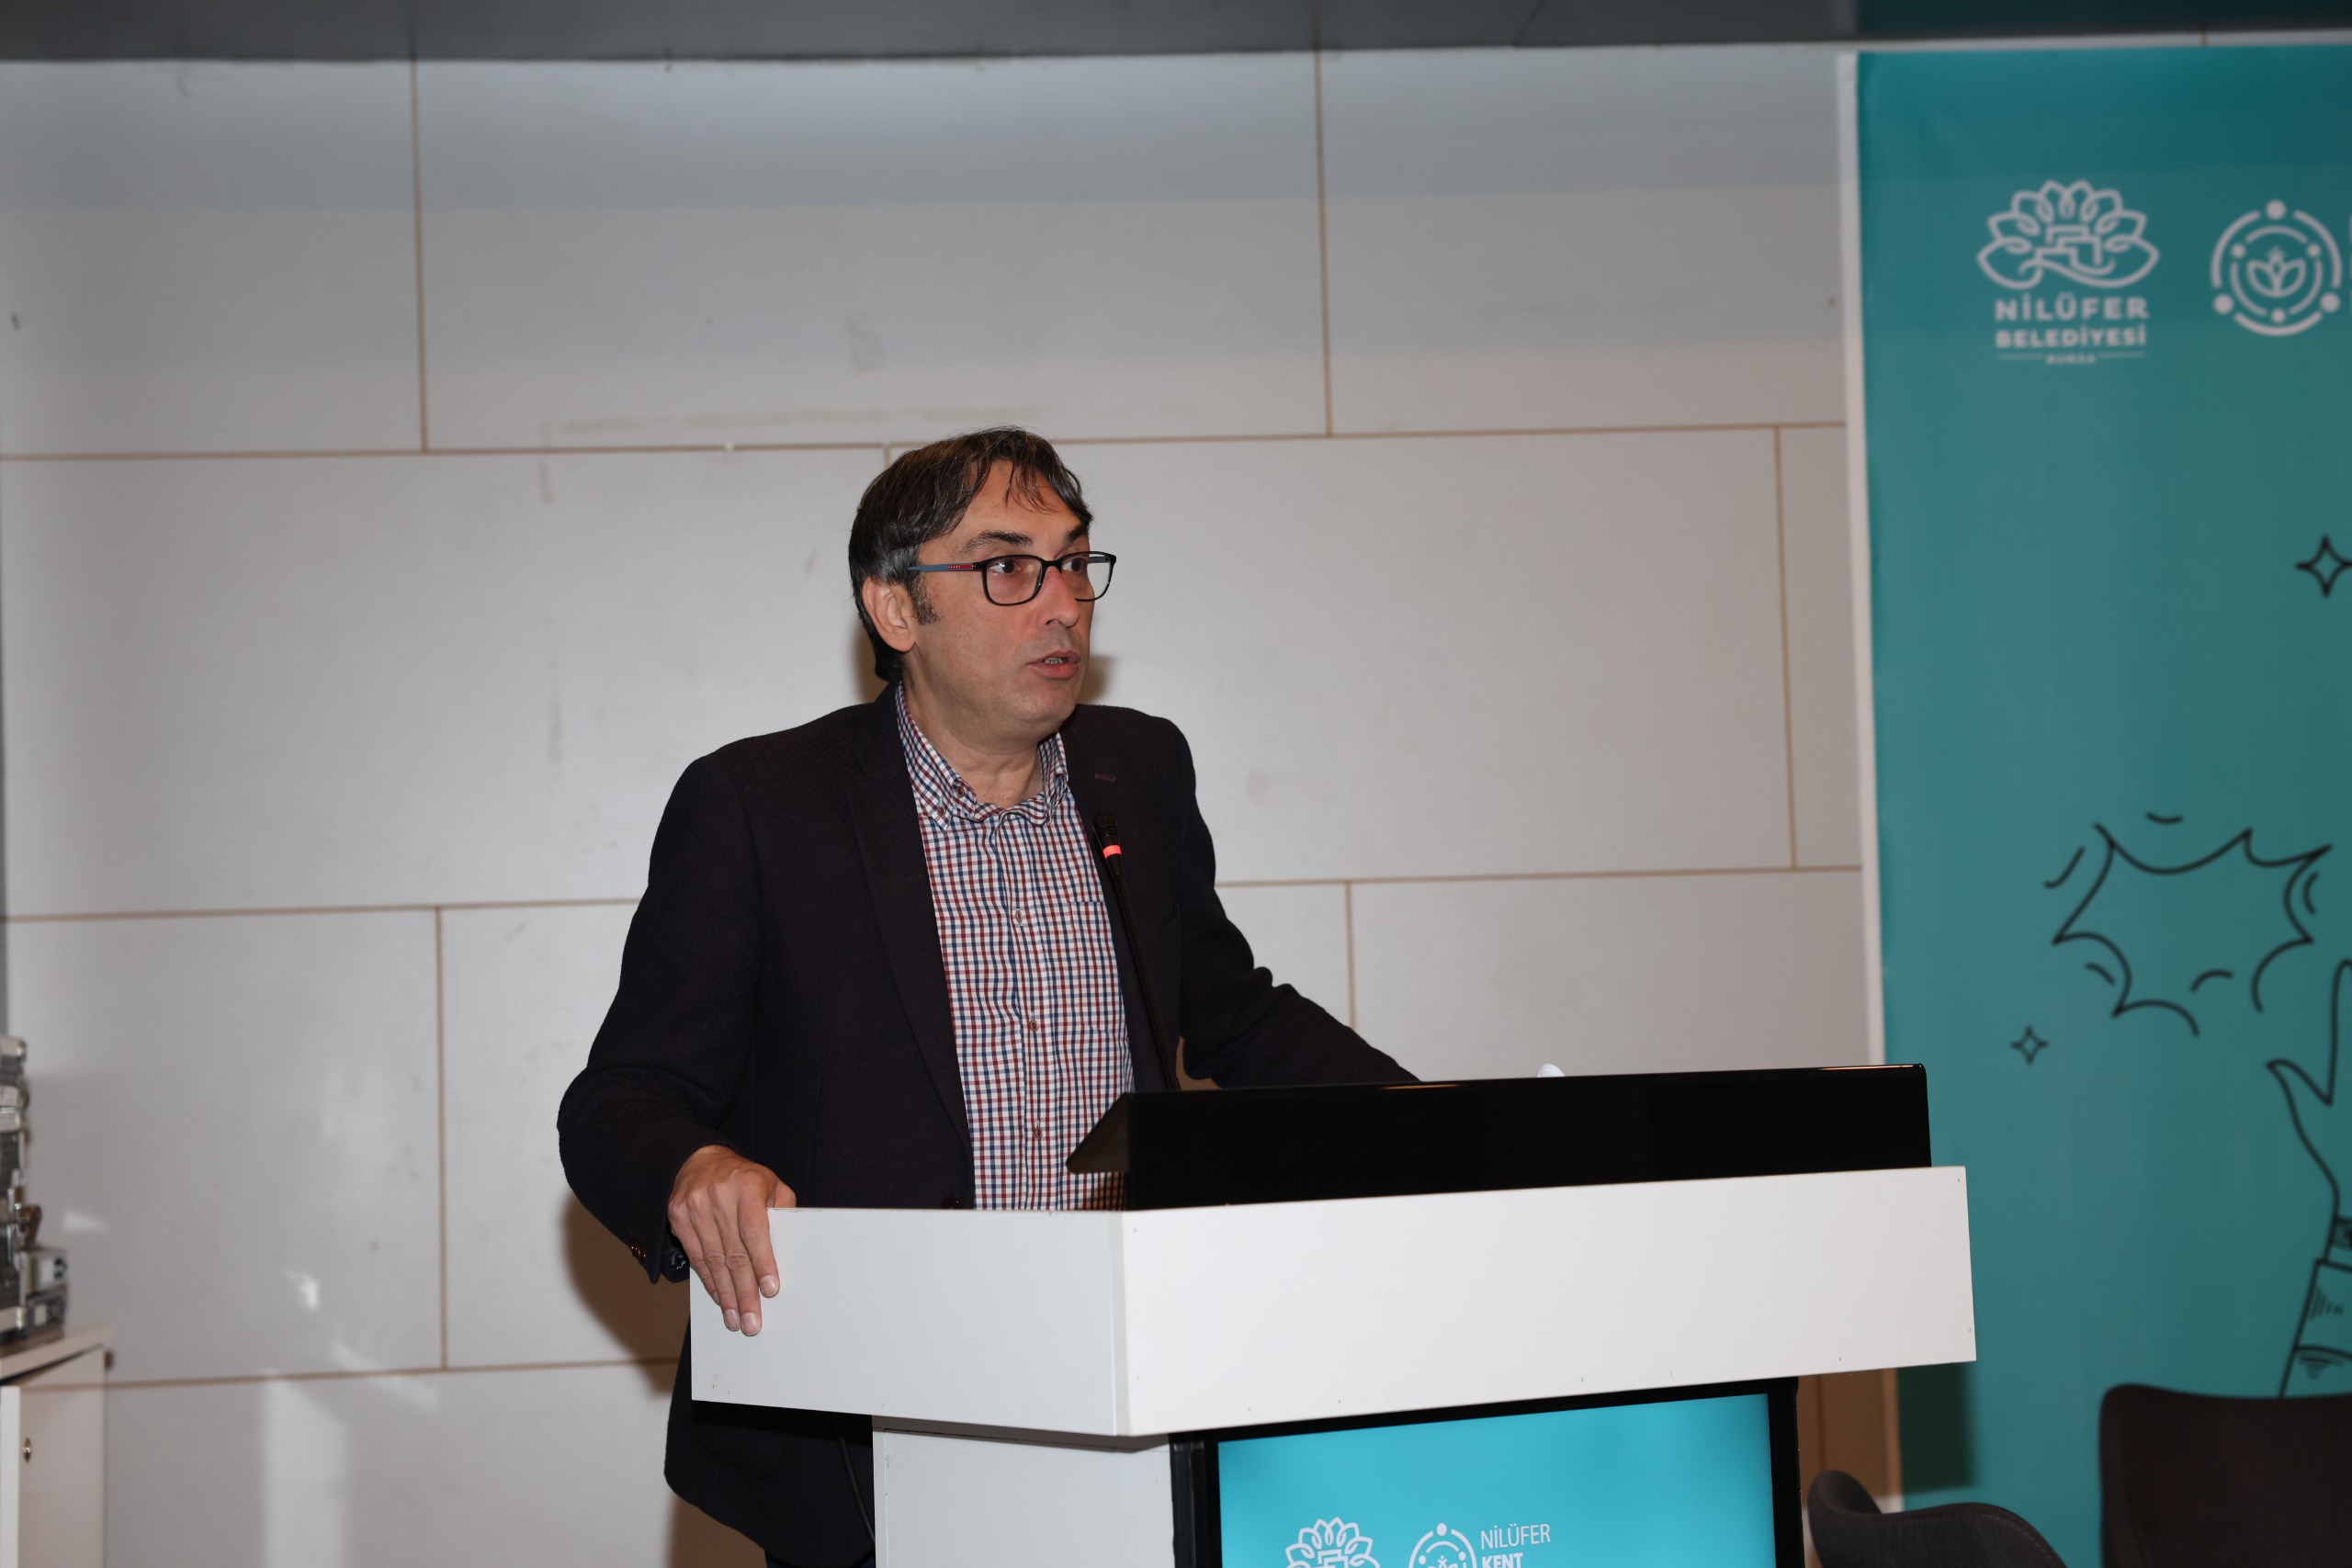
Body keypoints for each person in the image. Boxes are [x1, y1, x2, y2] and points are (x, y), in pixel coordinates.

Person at [559, 427, 1412, 1567]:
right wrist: (693, 1167)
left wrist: (1428, 1125)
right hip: (872, 1428)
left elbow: (1234, 1015)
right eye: (1010, 567)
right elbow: (621, 1098)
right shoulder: (761, 806)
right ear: (895, 609)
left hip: (1127, 1399)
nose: (1062, 604)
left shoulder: (1139, 772)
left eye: (1074, 563)